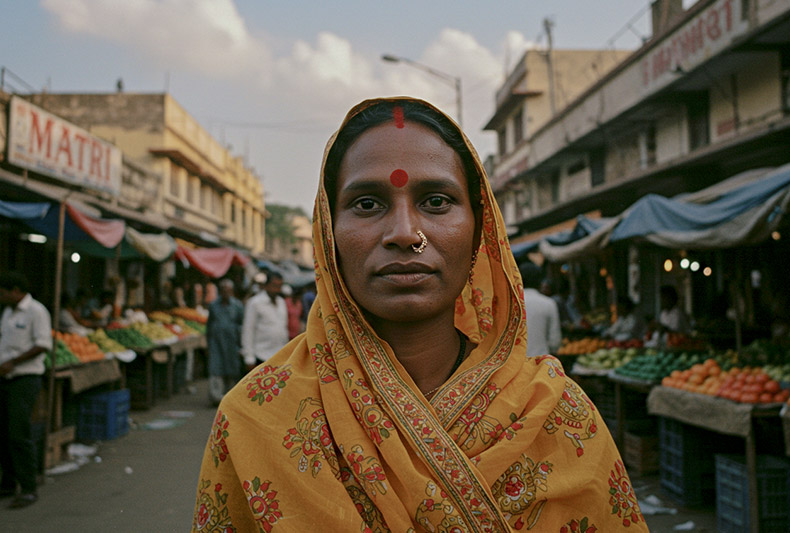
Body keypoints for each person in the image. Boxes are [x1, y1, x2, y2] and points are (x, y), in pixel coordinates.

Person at [192, 97, 646, 531]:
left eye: (436, 202)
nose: (406, 233)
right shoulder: (256, 418)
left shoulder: (556, 413)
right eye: (367, 204)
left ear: (478, 233)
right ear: (327, 234)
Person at [0, 271, 52, 509]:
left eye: (3, 292)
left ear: (15, 291)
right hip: (5, 379)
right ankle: (8, 484)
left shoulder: (37, 311)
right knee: (4, 433)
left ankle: (29, 487)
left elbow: (42, 344)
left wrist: (13, 362)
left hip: (25, 379)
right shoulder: (8, 313)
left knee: (19, 433)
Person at [206, 279, 245, 405]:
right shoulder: (213, 305)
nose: (226, 293)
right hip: (216, 342)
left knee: (231, 368)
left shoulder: (237, 305)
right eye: (223, 290)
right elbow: (209, 324)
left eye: (228, 290)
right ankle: (216, 397)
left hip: (232, 342)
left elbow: (242, 323)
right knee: (216, 368)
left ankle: (230, 397)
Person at [239, 271, 288, 371]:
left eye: (280, 286)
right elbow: (248, 330)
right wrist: (249, 358)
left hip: (279, 356)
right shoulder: (255, 303)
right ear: (266, 286)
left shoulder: (281, 302)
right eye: (274, 285)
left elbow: (283, 327)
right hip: (261, 356)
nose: (277, 289)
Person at [519, 262, 562, 356]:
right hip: (540, 362)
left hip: (514, 363)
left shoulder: (512, 303)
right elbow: (555, 342)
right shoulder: (548, 303)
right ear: (540, 282)